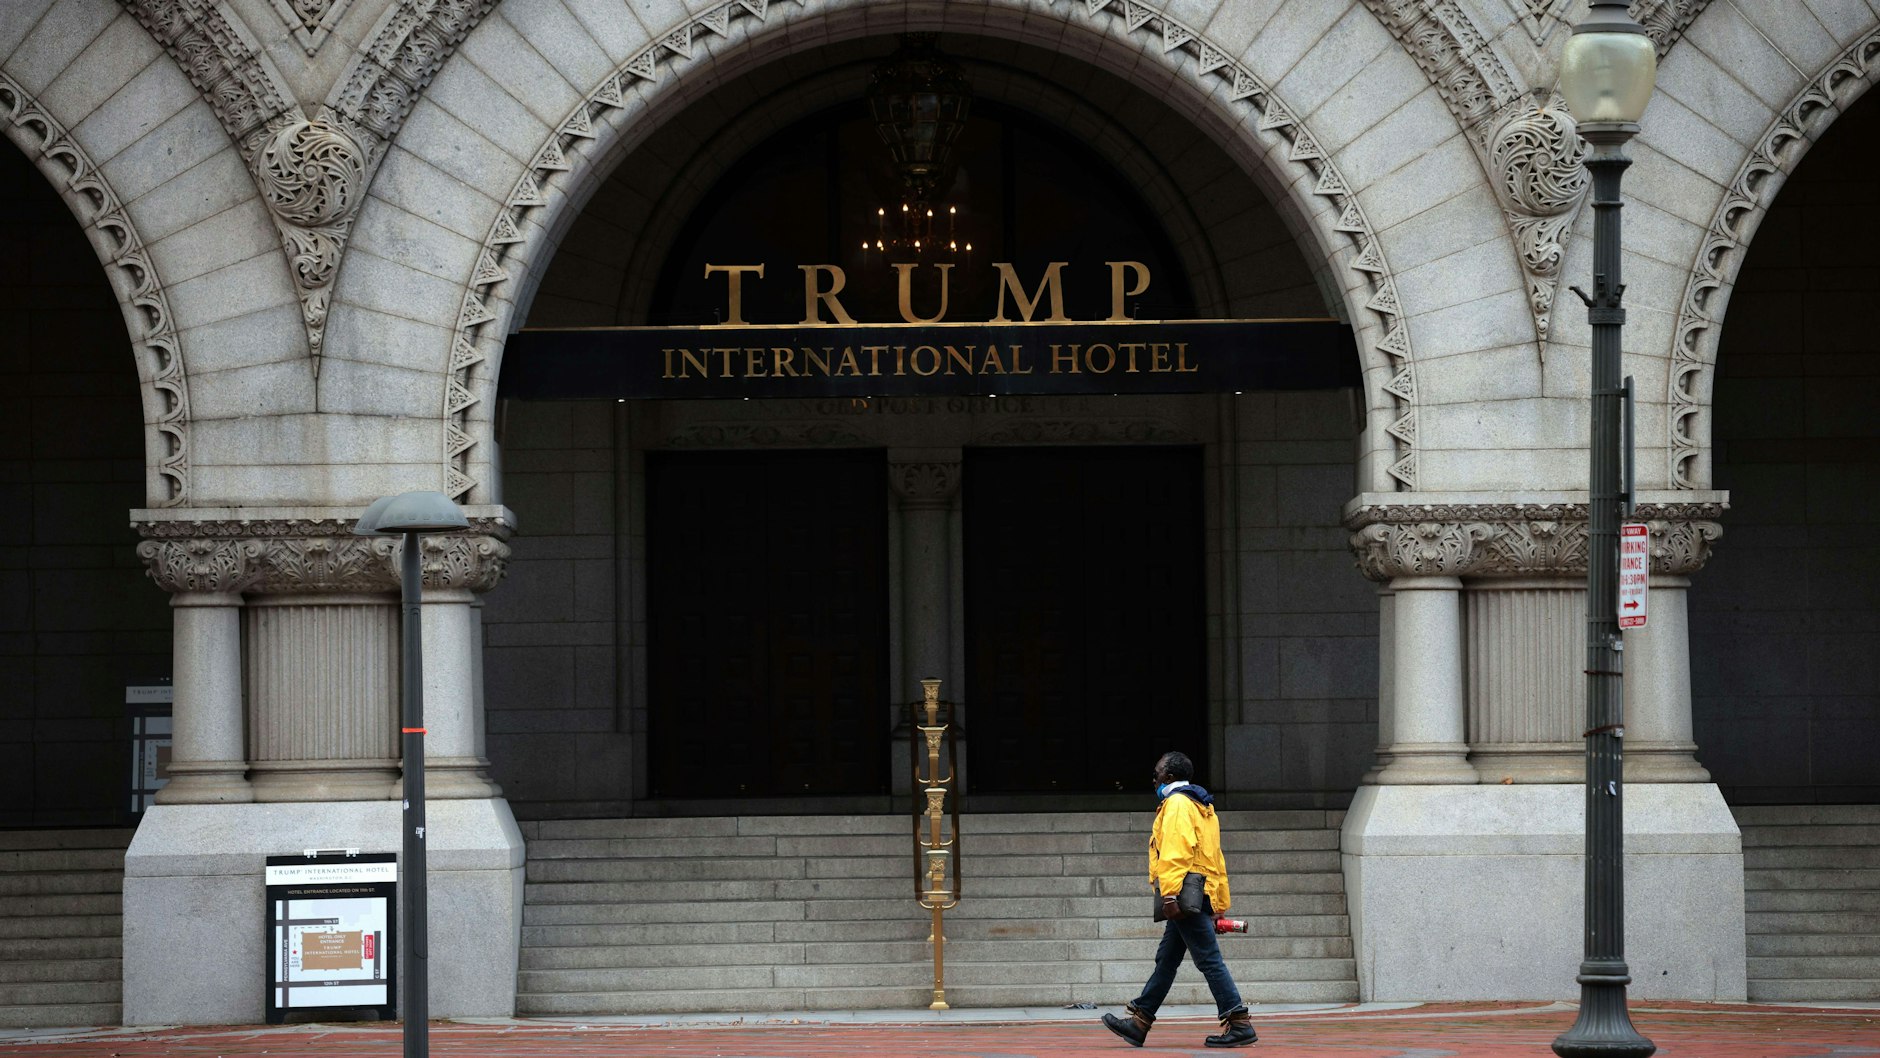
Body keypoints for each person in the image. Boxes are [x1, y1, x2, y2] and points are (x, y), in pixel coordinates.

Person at [1101, 750, 1256, 1048]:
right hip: (1201, 893)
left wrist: (1169, 894)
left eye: (1158, 772)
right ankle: (1139, 1021)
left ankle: (1239, 1022)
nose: (1155, 777)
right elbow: (1216, 858)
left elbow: (1175, 851)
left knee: (1208, 960)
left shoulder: (1176, 804)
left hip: (1184, 895)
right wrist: (1219, 901)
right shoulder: (1203, 806)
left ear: (1170, 777)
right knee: (1167, 959)